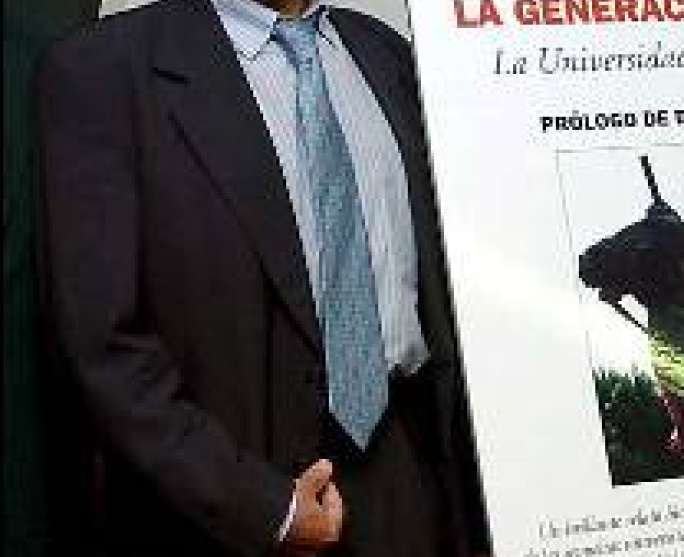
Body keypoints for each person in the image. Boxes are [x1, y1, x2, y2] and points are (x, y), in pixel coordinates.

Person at [37, 0, 488, 555]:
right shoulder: (102, 71)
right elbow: (98, 346)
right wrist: (261, 508)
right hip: (225, 501)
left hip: (405, 479)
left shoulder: (390, 56)